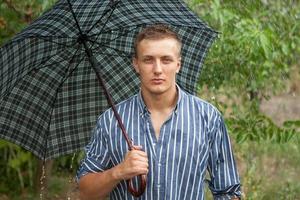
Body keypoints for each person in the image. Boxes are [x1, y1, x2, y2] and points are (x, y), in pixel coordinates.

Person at [77, 24, 241, 200]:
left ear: (178, 64)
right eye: (148, 60)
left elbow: (228, 191)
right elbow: (85, 192)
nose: (157, 69)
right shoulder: (111, 121)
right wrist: (118, 172)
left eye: (166, 60)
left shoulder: (208, 117)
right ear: (136, 64)